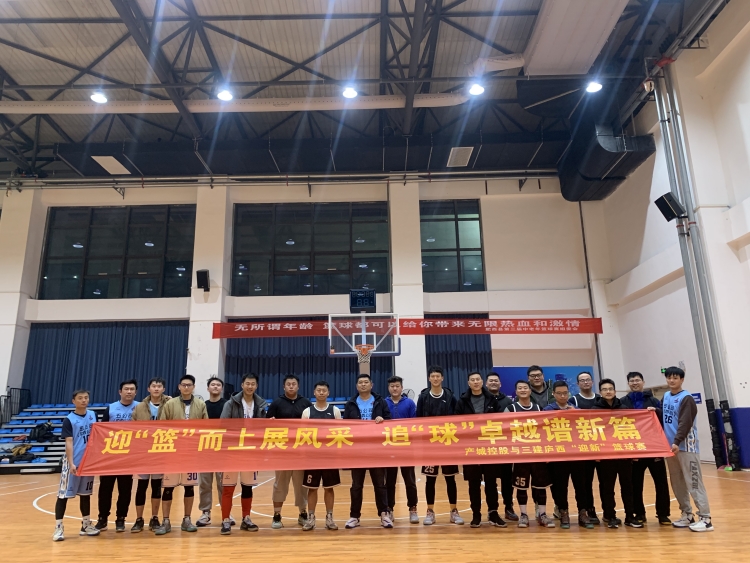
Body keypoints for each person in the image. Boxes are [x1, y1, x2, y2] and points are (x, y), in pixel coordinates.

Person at [155, 374, 208, 535]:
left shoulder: (200, 404)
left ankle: (187, 519)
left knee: (189, 487)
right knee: (168, 488)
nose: (186, 387)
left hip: (191, 453)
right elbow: (162, 426)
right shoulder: (170, 404)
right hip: (172, 452)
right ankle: (165, 521)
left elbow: (206, 427)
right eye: (183, 385)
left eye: (189, 385)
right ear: (179, 387)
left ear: (193, 387)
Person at [662, 366, 712, 532]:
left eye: (675, 378)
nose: (671, 380)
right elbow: (665, 417)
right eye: (669, 377)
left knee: (694, 482)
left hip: (686, 447)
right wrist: (654, 411)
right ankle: (687, 515)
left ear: (682, 380)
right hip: (670, 449)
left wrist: (677, 441)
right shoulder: (666, 396)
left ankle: (705, 518)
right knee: (677, 483)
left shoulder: (686, 398)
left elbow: (685, 422)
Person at [455, 371, 505, 529]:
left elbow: (500, 421)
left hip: (489, 446)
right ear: (468, 383)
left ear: (482, 382)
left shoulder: (492, 399)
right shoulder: (462, 401)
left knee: (491, 482)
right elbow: (456, 423)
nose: (476, 382)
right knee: (473, 483)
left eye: (478, 379)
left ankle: (493, 513)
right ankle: (476, 514)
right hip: (470, 448)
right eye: (472, 380)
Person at [219, 373, 266, 535]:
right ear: (242, 385)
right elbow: (223, 425)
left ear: (256, 386)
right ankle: (225, 520)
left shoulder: (260, 405)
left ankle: (246, 518)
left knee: (247, 488)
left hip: (251, 453)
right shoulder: (231, 403)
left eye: (253, 384)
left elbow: (263, 429)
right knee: (228, 488)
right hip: (232, 453)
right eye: (247, 383)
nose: (250, 386)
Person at [621, 371, 671, 525]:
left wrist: (656, 412)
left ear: (643, 382)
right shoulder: (623, 402)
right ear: (628, 384)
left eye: (637, 380)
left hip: (654, 449)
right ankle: (639, 513)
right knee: (635, 484)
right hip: (635, 450)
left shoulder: (654, 400)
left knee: (661, 483)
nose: (635, 383)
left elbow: (663, 421)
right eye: (632, 381)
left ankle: (663, 514)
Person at [343, 374, 392, 529]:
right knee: (356, 485)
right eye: (360, 382)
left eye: (366, 382)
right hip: (357, 451)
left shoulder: (380, 401)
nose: (363, 384)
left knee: (380, 484)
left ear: (372, 385)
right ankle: (354, 516)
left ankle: (384, 514)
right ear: (357, 386)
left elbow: (389, 421)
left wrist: (382, 420)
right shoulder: (351, 403)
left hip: (376, 450)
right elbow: (345, 426)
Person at [416, 365, 463, 526]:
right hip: (430, 445)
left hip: (448, 444)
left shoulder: (450, 396)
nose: (435, 379)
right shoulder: (423, 397)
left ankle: (453, 511)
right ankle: (430, 511)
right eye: (433, 376)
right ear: (429, 378)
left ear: (442, 378)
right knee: (430, 480)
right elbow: (418, 419)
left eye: (438, 376)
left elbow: (457, 418)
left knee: (450, 479)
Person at [543, 381, 593, 530]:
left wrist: (576, 414)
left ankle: (583, 513)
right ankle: (563, 512)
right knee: (560, 486)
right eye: (559, 393)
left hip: (577, 455)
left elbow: (586, 429)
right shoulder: (547, 410)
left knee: (581, 486)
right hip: (558, 456)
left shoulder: (576, 409)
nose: (563, 396)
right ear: (553, 394)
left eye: (565, 393)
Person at [505, 380, 554, 529]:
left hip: (537, 454)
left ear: (530, 390)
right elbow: (503, 430)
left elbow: (545, 431)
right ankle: (524, 515)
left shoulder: (538, 408)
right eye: (519, 388)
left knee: (540, 486)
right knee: (521, 486)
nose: (523, 390)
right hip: (520, 455)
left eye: (525, 388)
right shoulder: (511, 409)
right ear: (516, 392)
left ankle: (542, 514)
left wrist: (547, 453)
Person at [593, 379, 642, 529]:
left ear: (614, 391)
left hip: (623, 454)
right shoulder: (594, 410)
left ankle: (629, 516)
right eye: (604, 389)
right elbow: (592, 433)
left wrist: (633, 451)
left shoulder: (624, 408)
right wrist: (596, 454)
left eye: (610, 389)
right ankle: (610, 516)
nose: (608, 391)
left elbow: (631, 430)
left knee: (627, 487)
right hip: (605, 456)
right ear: (600, 392)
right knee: (607, 488)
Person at [52, 389, 100, 541]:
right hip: (73, 463)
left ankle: (86, 524)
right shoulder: (69, 419)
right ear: (74, 401)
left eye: (86, 397)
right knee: (64, 495)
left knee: (85, 495)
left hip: (88, 463)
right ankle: (58, 527)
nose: (84, 400)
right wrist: (71, 462)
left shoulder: (93, 415)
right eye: (80, 398)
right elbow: (69, 442)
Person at [266, 374, 312, 529]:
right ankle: (277, 515)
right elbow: (266, 426)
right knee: (280, 485)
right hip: (282, 452)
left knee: (301, 485)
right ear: (283, 386)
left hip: (301, 452)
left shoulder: (306, 403)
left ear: (298, 386)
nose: (291, 386)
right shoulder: (276, 403)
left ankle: (303, 513)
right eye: (288, 384)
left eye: (294, 384)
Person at [96, 379, 138, 532]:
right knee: (105, 489)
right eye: (126, 389)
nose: (129, 392)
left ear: (136, 392)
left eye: (132, 389)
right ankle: (102, 518)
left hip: (129, 456)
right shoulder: (111, 408)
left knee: (125, 490)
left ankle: (121, 518)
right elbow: (101, 431)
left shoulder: (140, 407)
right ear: (120, 391)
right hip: (110, 456)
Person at [301, 380, 342, 531]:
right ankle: (311, 518)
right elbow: (302, 435)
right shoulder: (307, 412)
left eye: (324, 390)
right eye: (318, 390)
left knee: (329, 488)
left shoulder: (335, 411)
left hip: (329, 457)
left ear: (328, 393)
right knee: (312, 489)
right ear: (314, 392)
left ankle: (329, 518)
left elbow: (340, 433)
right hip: (312, 457)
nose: (321, 392)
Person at [130, 377, 169, 532]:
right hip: (144, 452)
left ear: (163, 389)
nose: (156, 389)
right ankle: (139, 519)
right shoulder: (140, 407)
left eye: (159, 386)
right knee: (141, 487)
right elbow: (133, 428)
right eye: (154, 386)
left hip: (160, 451)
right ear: (148, 389)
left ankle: (154, 517)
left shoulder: (170, 404)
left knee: (156, 486)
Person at [566, 371, 602, 525]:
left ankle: (608, 512)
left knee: (604, 482)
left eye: (588, 379)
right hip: (583, 449)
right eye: (582, 380)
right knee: (585, 483)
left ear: (592, 382)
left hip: (601, 447)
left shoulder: (600, 399)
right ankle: (588, 509)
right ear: (578, 384)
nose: (586, 382)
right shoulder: (573, 400)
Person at [383, 375, 419, 524]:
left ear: (401, 388)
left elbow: (415, 423)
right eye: (392, 386)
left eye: (397, 386)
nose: (395, 388)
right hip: (389, 448)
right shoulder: (383, 403)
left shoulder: (409, 403)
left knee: (409, 480)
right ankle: (389, 509)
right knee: (389, 481)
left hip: (406, 448)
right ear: (388, 388)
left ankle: (413, 508)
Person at [485, 371, 517, 522]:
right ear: (486, 384)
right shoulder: (483, 399)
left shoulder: (508, 402)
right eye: (490, 380)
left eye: (495, 381)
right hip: (488, 447)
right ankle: (492, 510)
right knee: (490, 480)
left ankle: (508, 507)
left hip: (505, 447)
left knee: (507, 480)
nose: (493, 383)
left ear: (500, 383)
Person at [197, 376, 228, 528]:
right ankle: (205, 512)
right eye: (213, 385)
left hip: (222, 450)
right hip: (206, 449)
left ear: (221, 389)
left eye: (218, 385)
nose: (215, 387)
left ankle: (226, 513)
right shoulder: (202, 406)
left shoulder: (227, 405)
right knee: (205, 483)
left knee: (224, 483)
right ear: (208, 388)